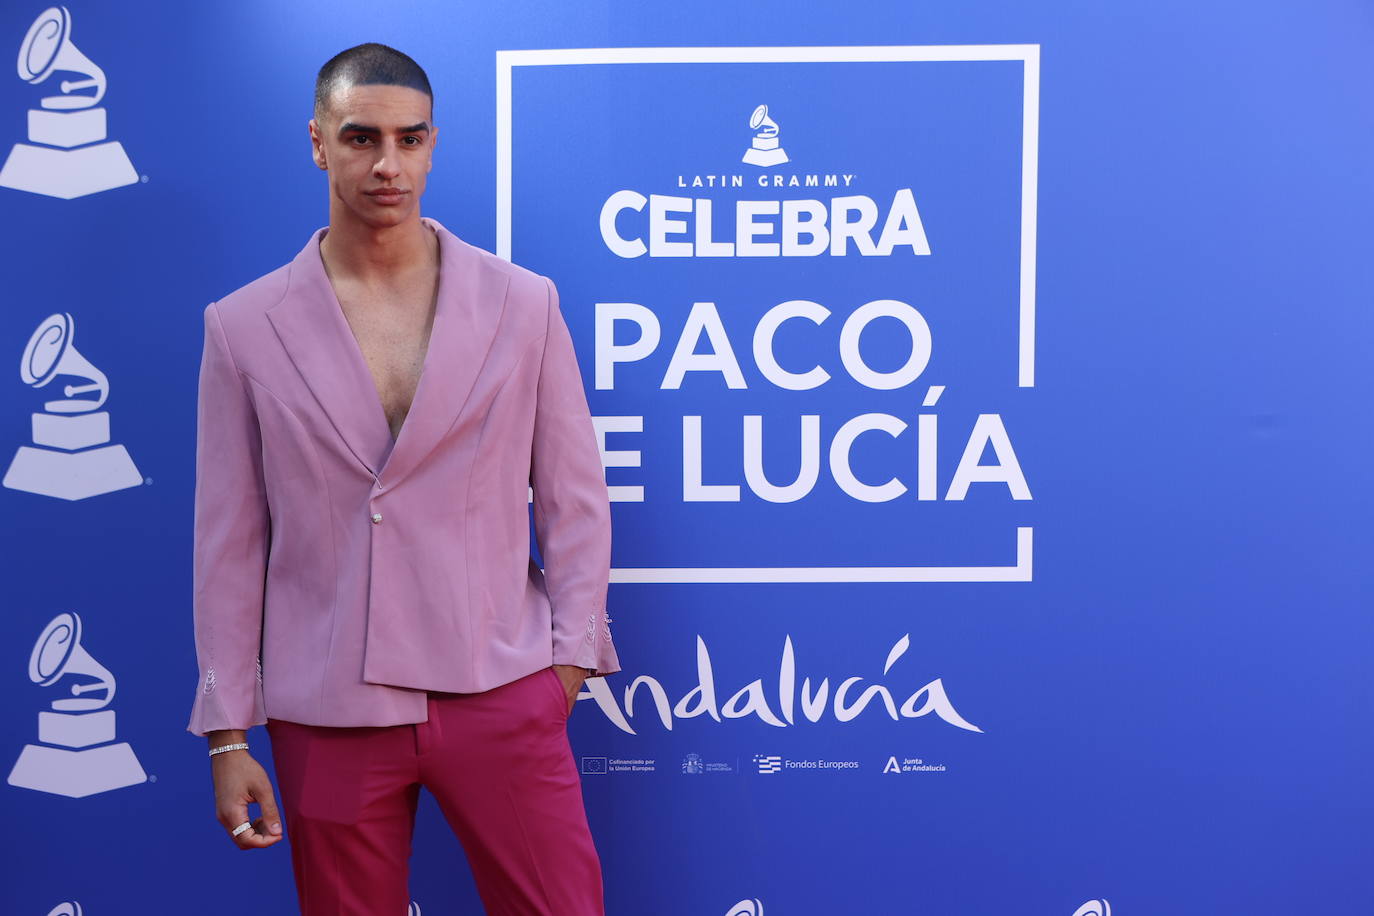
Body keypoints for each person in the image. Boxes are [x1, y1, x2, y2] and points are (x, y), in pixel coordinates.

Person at [186, 42, 619, 915]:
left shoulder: (523, 303)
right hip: (330, 704)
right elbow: (228, 540)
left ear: (432, 144)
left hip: (499, 685)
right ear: (318, 143)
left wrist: (567, 662)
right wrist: (227, 734)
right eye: (360, 139)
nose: (388, 164)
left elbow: (575, 498)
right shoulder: (242, 328)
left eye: (410, 140)